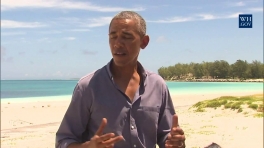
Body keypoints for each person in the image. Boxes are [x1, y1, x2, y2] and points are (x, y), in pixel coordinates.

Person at [56, 11, 186, 148]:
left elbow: (166, 137)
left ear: (144, 42)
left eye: (126, 37)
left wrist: (176, 142)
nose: (117, 44)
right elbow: (63, 141)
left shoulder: (157, 85)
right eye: (113, 37)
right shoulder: (88, 87)